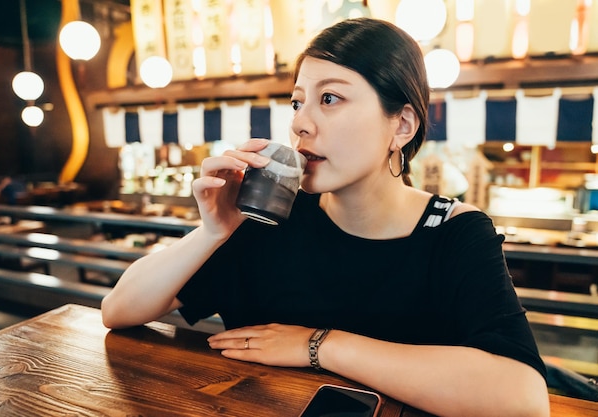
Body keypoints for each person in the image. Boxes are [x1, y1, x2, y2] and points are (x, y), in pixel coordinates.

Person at [102, 17, 549, 417]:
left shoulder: (454, 233)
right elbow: (119, 310)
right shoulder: (270, 216)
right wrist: (212, 231)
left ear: (402, 126)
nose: (300, 124)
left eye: (330, 98)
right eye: (297, 103)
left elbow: (522, 397)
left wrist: (319, 345)